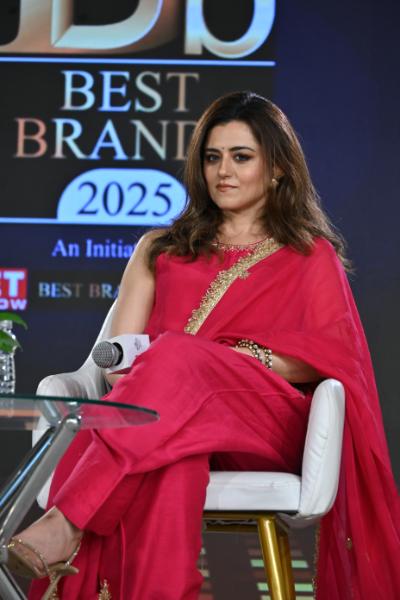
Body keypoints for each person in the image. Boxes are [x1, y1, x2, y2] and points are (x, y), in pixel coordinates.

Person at [5, 91, 400, 600]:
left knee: (174, 355)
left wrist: (230, 359)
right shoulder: (160, 248)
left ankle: (67, 519)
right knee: (171, 456)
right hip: (165, 417)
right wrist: (171, 375)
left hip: (262, 423)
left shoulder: (309, 254)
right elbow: (117, 364)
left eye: (241, 157)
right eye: (213, 157)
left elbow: (328, 356)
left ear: (277, 169)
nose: (223, 172)